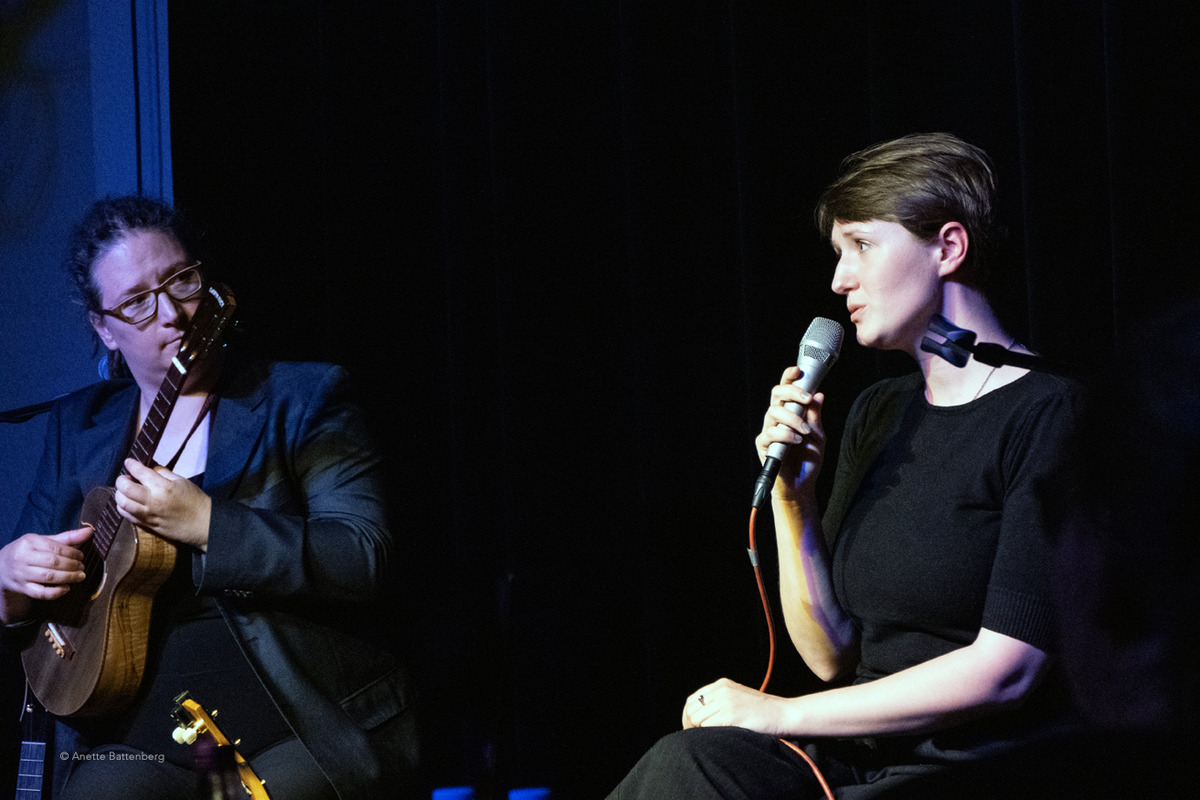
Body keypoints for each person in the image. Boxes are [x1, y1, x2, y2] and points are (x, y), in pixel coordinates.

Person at [606, 133, 1081, 799]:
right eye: (838, 253)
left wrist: (781, 715)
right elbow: (829, 656)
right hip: (858, 763)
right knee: (691, 762)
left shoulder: (1049, 415)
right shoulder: (878, 411)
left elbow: (1009, 670)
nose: (840, 280)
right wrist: (792, 502)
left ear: (948, 247)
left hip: (970, 770)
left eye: (861, 245)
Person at [0, 195, 419, 799]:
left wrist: (207, 524)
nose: (171, 313)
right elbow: (23, 585)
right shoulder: (78, 426)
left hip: (291, 719)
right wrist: (12, 579)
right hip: (136, 731)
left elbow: (362, 557)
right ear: (104, 328)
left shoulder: (301, 397)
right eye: (137, 301)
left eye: (181, 280)